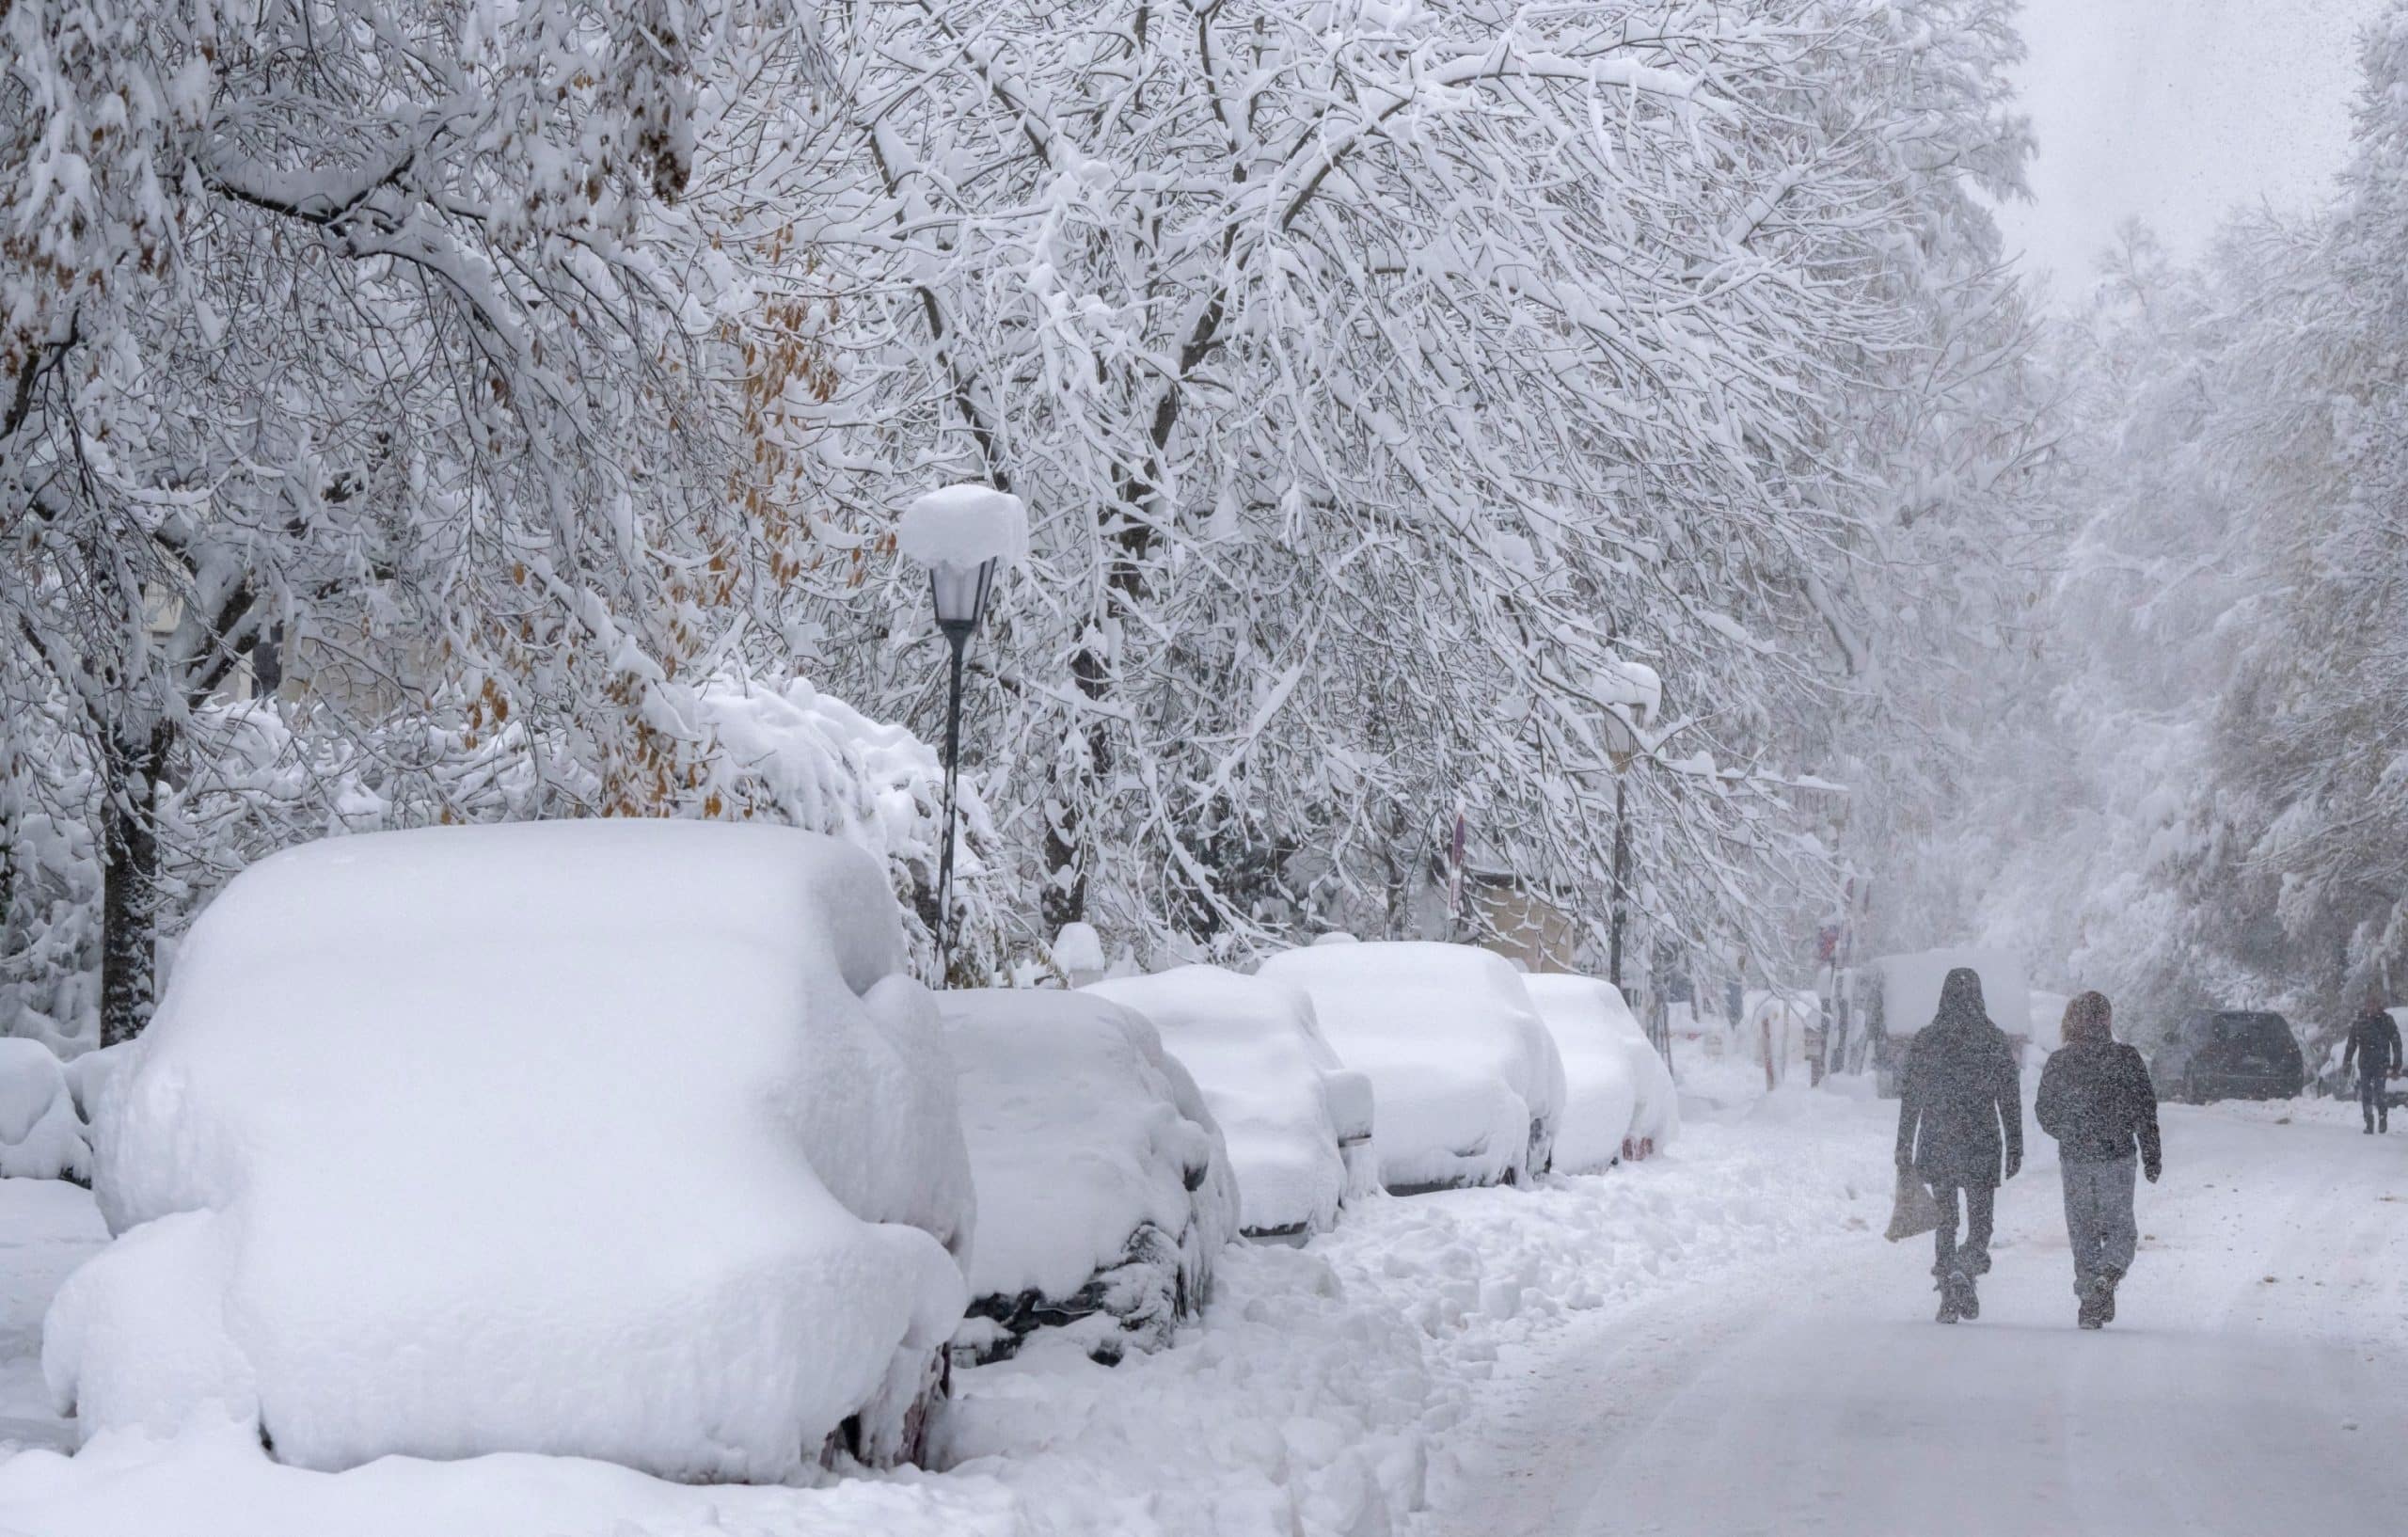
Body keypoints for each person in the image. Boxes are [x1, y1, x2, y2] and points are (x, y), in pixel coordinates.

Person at [1895, 968, 2024, 1323]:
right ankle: (1966, 1267)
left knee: (1945, 1219)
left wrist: (1904, 1142)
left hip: (1939, 1137)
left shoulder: (1927, 1039)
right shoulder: (1993, 1039)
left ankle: (1949, 1289)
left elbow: (1912, 1097)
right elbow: (2009, 1097)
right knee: (1981, 1222)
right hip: (1981, 1138)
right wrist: (2015, 1142)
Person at [2036, 991, 2162, 1330]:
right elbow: (2145, 1109)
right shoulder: (2126, 1059)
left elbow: (2043, 1111)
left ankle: (2090, 1294)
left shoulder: (2060, 1062)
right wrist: (2151, 1153)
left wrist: (2070, 1131)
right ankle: (2107, 1277)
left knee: (2082, 1229)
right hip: (2117, 1155)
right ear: (2107, 1019)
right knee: (2121, 1227)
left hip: (2076, 1158)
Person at [2340, 990, 2401, 1134]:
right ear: (2366, 1006)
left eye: (2374, 1004)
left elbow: (2397, 1043)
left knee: (2380, 1093)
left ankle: (2382, 1118)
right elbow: (2351, 1045)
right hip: (2365, 1065)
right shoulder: (2359, 1023)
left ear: (2379, 1005)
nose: (2371, 1007)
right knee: (2366, 1094)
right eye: (2369, 1004)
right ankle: (2369, 1122)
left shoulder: (2387, 1020)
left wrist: (2396, 1065)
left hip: (2382, 1064)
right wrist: (2347, 1063)